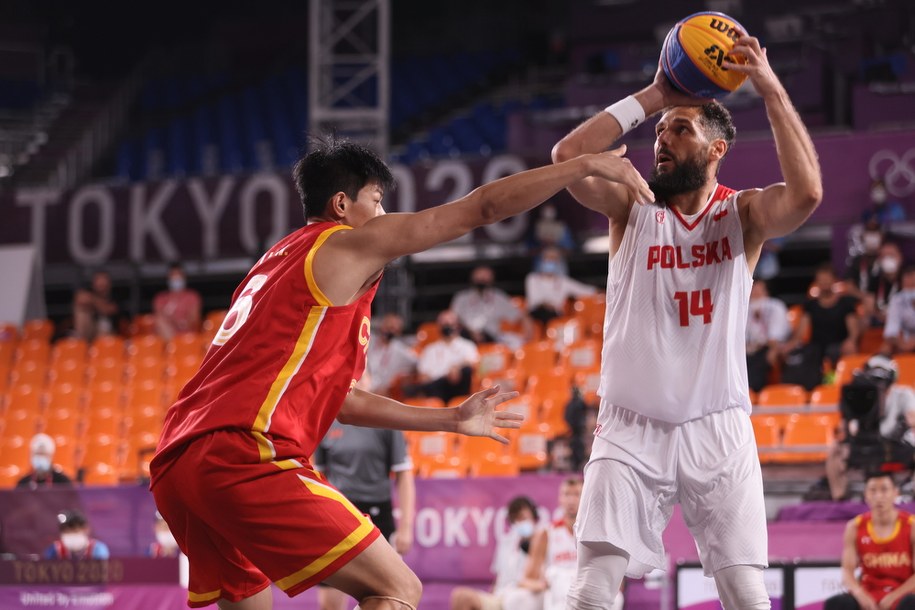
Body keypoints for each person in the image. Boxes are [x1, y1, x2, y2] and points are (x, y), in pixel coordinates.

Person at [149, 136, 654, 610]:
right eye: (377, 200)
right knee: (396, 586)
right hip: (241, 452)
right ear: (342, 205)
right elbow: (480, 209)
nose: (385, 214)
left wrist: (451, 420)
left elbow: (341, 399)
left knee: (248, 590)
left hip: (178, 460)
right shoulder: (346, 244)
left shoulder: (273, 264)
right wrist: (580, 165)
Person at [552, 31, 822, 610]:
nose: (662, 140)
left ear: (717, 148)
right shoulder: (632, 205)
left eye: (681, 129)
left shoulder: (742, 214)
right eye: (659, 132)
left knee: (745, 592)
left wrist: (770, 89)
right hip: (628, 426)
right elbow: (565, 161)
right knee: (592, 588)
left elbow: (806, 195)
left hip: (717, 424)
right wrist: (655, 96)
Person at [313, 418, 416, 610]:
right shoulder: (325, 420)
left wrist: (406, 527)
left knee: (391, 596)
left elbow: (404, 474)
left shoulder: (386, 420)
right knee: (329, 603)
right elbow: (318, 477)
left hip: (378, 514)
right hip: (338, 514)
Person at [824, 471, 915, 610]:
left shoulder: (911, 525)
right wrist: (859, 593)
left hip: (903, 594)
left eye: (884, 490)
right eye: (873, 491)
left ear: (895, 493)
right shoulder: (854, 527)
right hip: (870, 594)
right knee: (837, 603)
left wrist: (894, 596)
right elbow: (847, 572)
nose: (878, 497)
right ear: (866, 495)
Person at [450, 496, 542, 610]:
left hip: (520, 598)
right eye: (516, 519)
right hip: (500, 597)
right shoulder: (506, 542)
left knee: (462, 596)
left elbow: (539, 580)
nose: (520, 522)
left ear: (534, 516)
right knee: (459, 596)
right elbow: (498, 577)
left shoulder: (543, 541)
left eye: (523, 517)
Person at [782, 265, 861, 390]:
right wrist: (790, 345)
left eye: (827, 279)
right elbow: (801, 332)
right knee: (800, 357)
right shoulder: (810, 305)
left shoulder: (845, 303)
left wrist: (851, 340)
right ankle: (805, 392)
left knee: (847, 350)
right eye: (821, 280)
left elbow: (853, 330)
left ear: (834, 280)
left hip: (838, 344)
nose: (824, 283)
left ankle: (846, 386)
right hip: (816, 346)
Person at [406, 309, 480, 404]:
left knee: (465, 371)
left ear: (458, 326)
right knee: (430, 386)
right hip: (436, 388)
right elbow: (423, 376)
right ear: (439, 326)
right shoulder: (430, 349)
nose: (447, 326)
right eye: (444, 324)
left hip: (457, 386)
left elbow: (472, 363)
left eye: (450, 323)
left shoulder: (467, 346)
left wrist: (456, 367)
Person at [451, 266, 532, 348]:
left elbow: (521, 316)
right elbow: (451, 319)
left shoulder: (499, 297)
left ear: (492, 278)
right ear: (472, 278)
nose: (482, 279)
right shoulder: (461, 298)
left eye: (485, 276)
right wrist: (471, 332)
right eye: (479, 276)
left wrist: (528, 334)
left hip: (490, 337)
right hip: (465, 336)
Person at [525, 246, 597, 326]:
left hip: (554, 315)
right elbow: (535, 300)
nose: (550, 261)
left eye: (554, 259)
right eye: (548, 258)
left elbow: (584, 290)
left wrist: (600, 291)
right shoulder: (532, 279)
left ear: (558, 262)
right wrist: (545, 304)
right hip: (535, 314)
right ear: (542, 260)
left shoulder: (563, 281)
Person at [745, 280, 791, 393]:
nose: (755, 292)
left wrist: (773, 349)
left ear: (766, 291)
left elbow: (775, 339)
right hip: (746, 349)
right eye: (753, 289)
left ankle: (754, 393)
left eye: (758, 289)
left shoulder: (775, 306)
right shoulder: (742, 307)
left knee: (760, 359)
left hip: (769, 347)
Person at [366, 313, 417, 397]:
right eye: (387, 327)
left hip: (382, 390)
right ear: (382, 326)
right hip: (361, 383)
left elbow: (418, 364)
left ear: (398, 332)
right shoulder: (368, 340)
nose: (389, 331)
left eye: (393, 328)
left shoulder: (400, 350)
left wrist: (406, 378)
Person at [154, 262, 203, 341]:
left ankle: (178, 345)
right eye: (173, 275)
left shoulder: (192, 296)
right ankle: (174, 346)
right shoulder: (161, 298)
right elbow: (160, 317)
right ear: (168, 278)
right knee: (160, 321)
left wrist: (182, 324)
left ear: (184, 277)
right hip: (168, 335)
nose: (176, 278)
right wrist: (176, 323)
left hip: (188, 334)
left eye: (179, 275)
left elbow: (194, 319)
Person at [44, 510, 110, 560]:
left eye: (75, 530)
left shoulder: (98, 549)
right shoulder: (54, 550)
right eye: (67, 531)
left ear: (86, 529)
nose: (71, 534)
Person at [73, 270, 119, 341]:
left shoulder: (115, 296)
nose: (101, 284)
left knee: (104, 325)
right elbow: (80, 298)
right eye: (98, 281)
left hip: (109, 336)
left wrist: (94, 302)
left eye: (104, 281)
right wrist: (97, 303)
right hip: (89, 331)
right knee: (82, 312)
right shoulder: (89, 293)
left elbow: (108, 310)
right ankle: (82, 343)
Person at [882, 266, 915, 356]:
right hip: (905, 342)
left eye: (913, 285)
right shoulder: (897, 300)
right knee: (886, 347)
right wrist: (902, 344)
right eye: (907, 286)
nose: (911, 290)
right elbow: (891, 331)